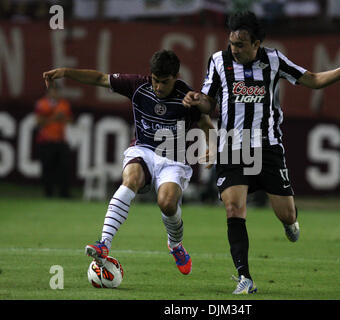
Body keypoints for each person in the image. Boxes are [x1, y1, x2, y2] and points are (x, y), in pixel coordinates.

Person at [183, 11, 340, 294]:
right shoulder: (219, 61)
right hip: (232, 146)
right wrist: (198, 100)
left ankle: (291, 223)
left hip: (268, 146)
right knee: (233, 208)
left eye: (241, 44)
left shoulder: (274, 59)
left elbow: (313, 79)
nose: (235, 49)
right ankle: (245, 278)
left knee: (286, 214)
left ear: (256, 43)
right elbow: (209, 102)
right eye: (232, 42)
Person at [43, 50, 215, 275]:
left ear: (175, 77)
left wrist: (212, 146)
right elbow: (100, 79)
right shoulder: (138, 85)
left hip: (173, 160)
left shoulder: (187, 96)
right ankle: (103, 243)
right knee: (131, 179)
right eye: (155, 80)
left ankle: (175, 244)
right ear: (150, 75)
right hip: (142, 150)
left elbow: (205, 120)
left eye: (164, 82)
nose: (158, 87)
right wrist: (65, 72)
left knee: (167, 203)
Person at [34, 85, 73, 198]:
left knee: (64, 167)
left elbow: (70, 120)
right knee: (47, 168)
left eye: (57, 92)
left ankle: (64, 193)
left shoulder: (64, 104)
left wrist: (62, 118)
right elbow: (38, 122)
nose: (55, 94)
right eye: (53, 92)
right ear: (48, 93)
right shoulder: (42, 104)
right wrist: (55, 117)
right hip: (46, 140)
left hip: (60, 139)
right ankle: (48, 193)